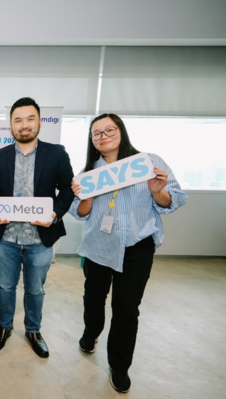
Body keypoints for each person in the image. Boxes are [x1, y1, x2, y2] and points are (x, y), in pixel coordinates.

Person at [69, 113, 187, 393]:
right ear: (92, 141)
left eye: (109, 129)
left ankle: (119, 366)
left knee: (126, 308)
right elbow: (79, 213)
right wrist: (86, 197)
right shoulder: (89, 174)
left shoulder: (148, 162)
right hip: (98, 245)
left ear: (121, 131)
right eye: (96, 133)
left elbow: (174, 199)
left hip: (137, 245)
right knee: (93, 296)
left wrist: (157, 192)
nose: (103, 136)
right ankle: (91, 332)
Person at [0, 97, 74, 357]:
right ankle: (4, 326)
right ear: (11, 125)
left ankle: (33, 329)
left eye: (30, 119)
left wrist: (55, 214)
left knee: (35, 289)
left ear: (38, 121)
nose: (24, 125)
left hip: (40, 239)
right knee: (5, 286)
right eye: (18, 120)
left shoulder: (57, 153)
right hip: (7, 239)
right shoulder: (0, 155)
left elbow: (68, 190)